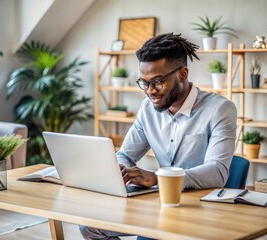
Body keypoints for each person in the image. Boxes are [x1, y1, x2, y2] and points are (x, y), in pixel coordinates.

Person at [79, 33, 237, 240]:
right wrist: (122, 170)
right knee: (89, 226)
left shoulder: (220, 109)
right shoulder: (148, 108)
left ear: (182, 74)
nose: (150, 91)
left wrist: (158, 178)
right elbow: (125, 154)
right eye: (144, 83)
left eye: (157, 81)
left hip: (198, 210)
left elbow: (217, 171)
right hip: (158, 205)